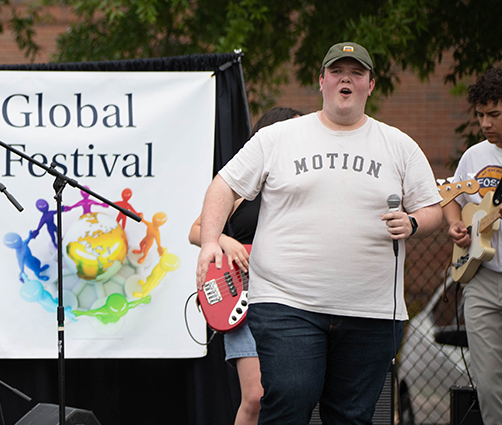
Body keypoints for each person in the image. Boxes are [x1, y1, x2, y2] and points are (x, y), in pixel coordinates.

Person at [194, 42, 442, 423]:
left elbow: (432, 210)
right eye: (337, 71)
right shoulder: (279, 137)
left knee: (352, 416)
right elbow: (224, 185)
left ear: (370, 85)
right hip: (286, 303)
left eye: (356, 72)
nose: (347, 78)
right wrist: (211, 241)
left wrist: (412, 223)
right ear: (321, 80)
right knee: (290, 399)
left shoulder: (399, 145)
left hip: (372, 310)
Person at [187, 106, 302, 425]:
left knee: (291, 393)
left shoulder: (302, 189)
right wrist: (225, 241)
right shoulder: (243, 187)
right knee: (254, 397)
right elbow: (195, 230)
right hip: (243, 300)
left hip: (289, 298)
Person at [443, 67, 502, 424]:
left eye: (494, 114)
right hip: (481, 277)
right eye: (480, 115)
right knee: (488, 381)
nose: (485, 123)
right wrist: (455, 224)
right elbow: (451, 194)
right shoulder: (475, 155)